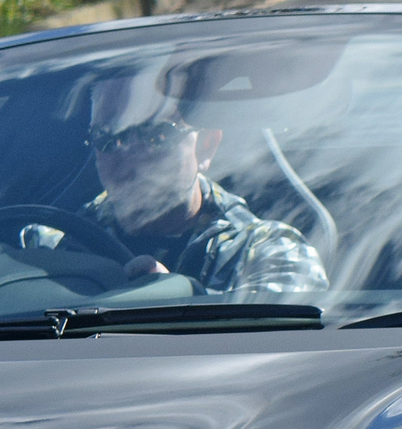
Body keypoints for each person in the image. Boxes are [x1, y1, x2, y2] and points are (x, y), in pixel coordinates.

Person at [80, 75, 328, 298]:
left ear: (205, 145)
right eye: (108, 137)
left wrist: (177, 303)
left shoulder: (269, 252)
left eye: (157, 135)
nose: (130, 157)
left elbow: (278, 340)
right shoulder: (56, 242)